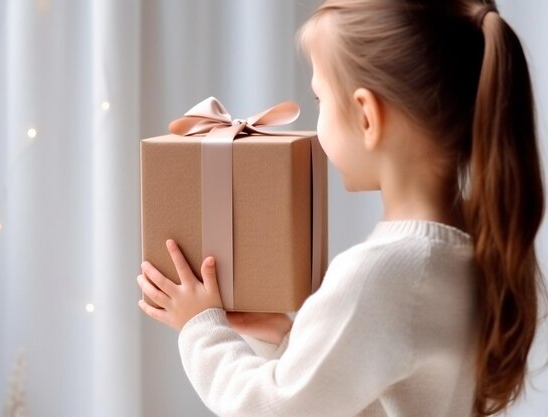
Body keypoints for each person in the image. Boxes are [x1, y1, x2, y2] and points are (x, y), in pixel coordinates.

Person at [136, 0, 546, 415]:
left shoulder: (382, 274)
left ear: (367, 115)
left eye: (319, 100)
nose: (317, 122)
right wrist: (287, 340)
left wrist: (199, 327)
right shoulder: (474, 245)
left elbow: (267, 410)